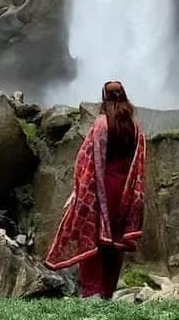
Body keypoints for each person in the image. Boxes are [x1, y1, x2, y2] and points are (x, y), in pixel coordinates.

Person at [44, 80, 147, 299]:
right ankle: (108, 292)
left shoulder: (101, 123)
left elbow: (86, 159)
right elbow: (136, 163)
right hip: (124, 192)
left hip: (101, 189)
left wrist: (78, 191)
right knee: (115, 243)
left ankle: (92, 291)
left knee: (92, 238)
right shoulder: (135, 127)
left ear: (104, 97)